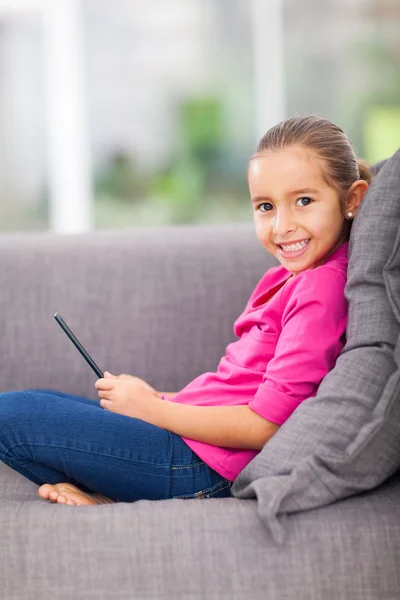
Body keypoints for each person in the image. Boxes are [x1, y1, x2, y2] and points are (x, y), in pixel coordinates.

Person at [0, 116, 372, 506]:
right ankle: (104, 493)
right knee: (42, 400)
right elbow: (234, 391)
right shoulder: (291, 276)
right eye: (266, 206)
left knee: (10, 414)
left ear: (352, 199)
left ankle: (111, 494)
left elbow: (265, 425)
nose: (282, 226)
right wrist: (155, 399)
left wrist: (150, 410)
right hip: (194, 443)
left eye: (304, 201)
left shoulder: (319, 288)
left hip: (204, 468)